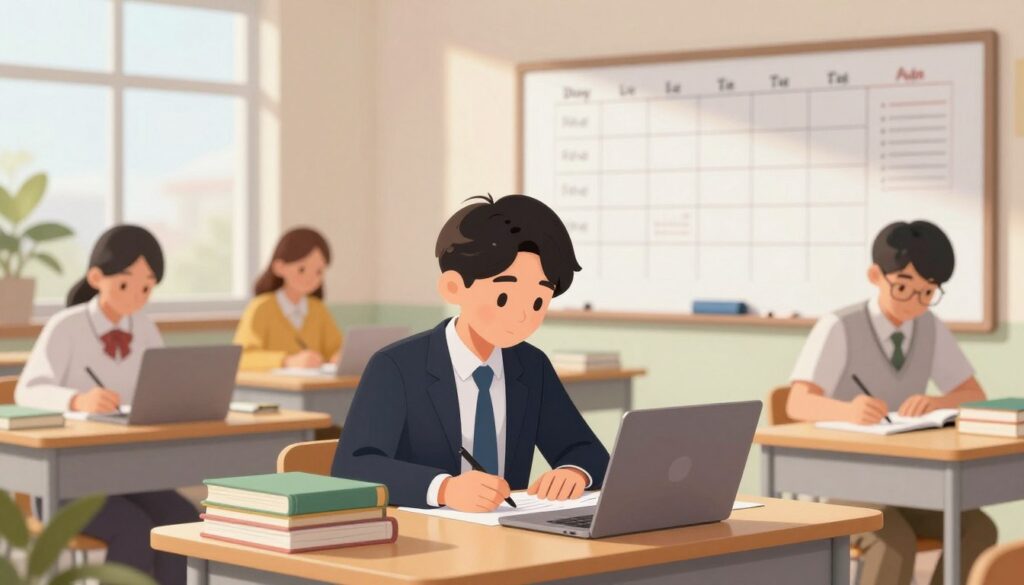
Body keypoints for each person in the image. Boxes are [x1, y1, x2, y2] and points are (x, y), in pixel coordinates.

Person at [332, 194, 610, 510]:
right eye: (504, 297)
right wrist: (444, 489)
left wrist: (574, 472)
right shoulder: (396, 366)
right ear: (453, 287)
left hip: (508, 532)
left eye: (537, 303)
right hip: (422, 539)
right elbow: (353, 468)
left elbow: (586, 450)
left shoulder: (531, 366)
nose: (522, 316)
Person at [786, 220, 997, 585]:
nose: (915, 302)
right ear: (875, 275)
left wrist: (936, 401)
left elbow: (974, 396)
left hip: (902, 483)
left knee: (976, 527)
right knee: (893, 541)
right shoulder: (839, 327)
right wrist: (848, 411)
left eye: (927, 292)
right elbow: (797, 402)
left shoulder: (929, 327)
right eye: (903, 287)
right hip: (840, 483)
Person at [15, 225, 196, 584]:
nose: (137, 296)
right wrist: (76, 399)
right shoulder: (65, 326)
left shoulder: (146, 329)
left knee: (182, 517)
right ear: (97, 277)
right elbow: (28, 390)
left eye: (147, 287)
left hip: (126, 472)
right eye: (127, 284)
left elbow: (159, 386)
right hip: (66, 479)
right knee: (132, 528)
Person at [234, 227, 343, 371]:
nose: (311, 277)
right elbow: (243, 357)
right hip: (271, 390)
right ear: (280, 267)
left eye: (319, 271)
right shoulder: (261, 307)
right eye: (302, 269)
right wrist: (287, 361)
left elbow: (335, 348)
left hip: (312, 387)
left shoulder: (318, 309)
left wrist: (338, 357)